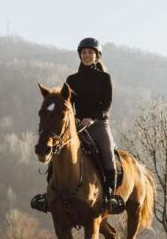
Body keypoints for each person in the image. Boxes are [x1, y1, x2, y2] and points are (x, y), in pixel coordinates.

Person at [30, 37, 125, 214]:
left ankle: (110, 197)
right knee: (58, 150)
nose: (86, 55)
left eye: (90, 52)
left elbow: (107, 103)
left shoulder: (104, 78)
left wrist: (92, 118)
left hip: (99, 124)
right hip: (77, 125)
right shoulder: (71, 80)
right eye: (84, 52)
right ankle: (49, 195)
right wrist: (72, 120)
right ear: (80, 55)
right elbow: (66, 105)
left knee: (108, 155)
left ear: (97, 55)